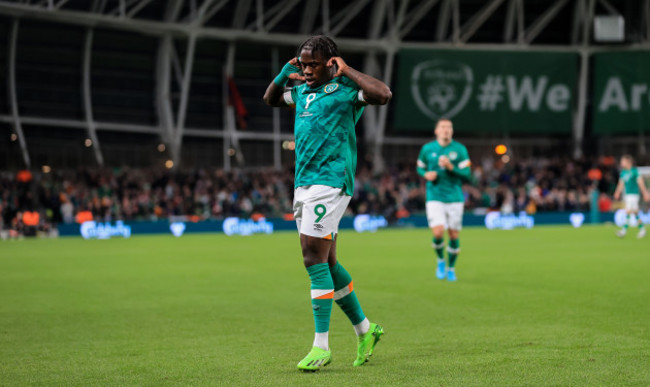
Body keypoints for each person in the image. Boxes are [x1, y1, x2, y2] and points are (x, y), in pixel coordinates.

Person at [263, 35, 392, 372]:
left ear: (330, 63)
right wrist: (282, 74)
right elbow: (271, 99)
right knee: (329, 263)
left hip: (331, 181)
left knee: (311, 258)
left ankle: (321, 346)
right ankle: (366, 330)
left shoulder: (347, 90)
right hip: (304, 184)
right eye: (302, 63)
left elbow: (383, 94)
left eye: (312, 64)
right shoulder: (303, 91)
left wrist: (347, 70)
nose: (306, 69)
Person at [416, 118, 471, 281]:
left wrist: (450, 167)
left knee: (454, 235)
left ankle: (451, 268)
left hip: (454, 197)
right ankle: (440, 259)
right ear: (437, 131)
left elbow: (467, 174)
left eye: (449, 127)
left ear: (452, 131)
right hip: (434, 196)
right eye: (443, 127)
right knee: (438, 232)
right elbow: (420, 167)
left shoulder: (460, 149)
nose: (446, 130)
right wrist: (425, 174)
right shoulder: (427, 149)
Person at [613, 155, 650, 238]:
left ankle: (623, 231)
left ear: (628, 162)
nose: (621, 163)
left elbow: (641, 183)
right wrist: (617, 192)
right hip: (627, 194)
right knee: (635, 212)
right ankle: (642, 229)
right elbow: (621, 183)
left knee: (628, 211)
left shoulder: (634, 172)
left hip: (634, 195)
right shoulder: (623, 173)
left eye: (622, 161)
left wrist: (645, 193)